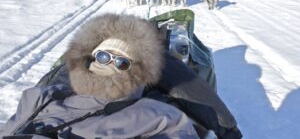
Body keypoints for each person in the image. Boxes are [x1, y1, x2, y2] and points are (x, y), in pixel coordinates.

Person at [0, 14, 200, 138]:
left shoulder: (152, 114)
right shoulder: (41, 96)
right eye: (103, 56)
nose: (110, 64)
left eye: (122, 62)